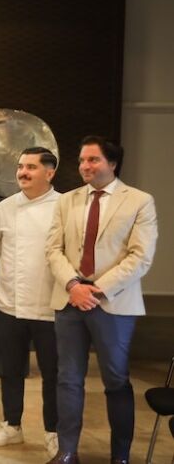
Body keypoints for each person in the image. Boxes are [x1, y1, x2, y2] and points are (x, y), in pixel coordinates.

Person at [45, 136, 157, 464]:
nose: (85, 166)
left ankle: (120, 456)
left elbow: (140, 256)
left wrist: (96, 289)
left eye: (93, 160)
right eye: (82, 160)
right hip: (70, 300)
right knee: (67, 379)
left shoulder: (138, 201)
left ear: (112, 163)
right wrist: (73, 285)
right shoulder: (66, 201)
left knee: (116, 379)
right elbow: (53, 249)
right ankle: (67, 452)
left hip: (113, 303)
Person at [0, 147, 61, 458]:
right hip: (9, 304)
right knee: (11, 369)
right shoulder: (3, 208)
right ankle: (12, 426)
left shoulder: (63, 206)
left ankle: (54, 431)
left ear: (50, 173)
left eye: (31, 167)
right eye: (20, 167)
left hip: (49, 307)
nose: (23, 173)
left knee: (53, 373)